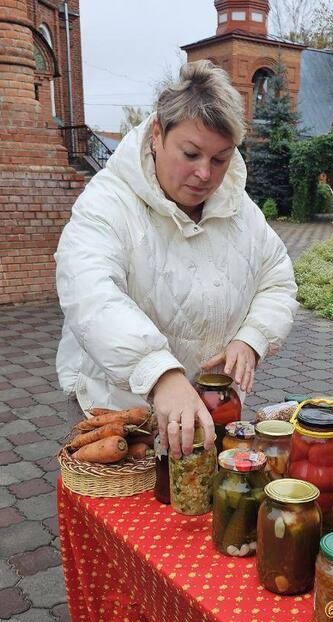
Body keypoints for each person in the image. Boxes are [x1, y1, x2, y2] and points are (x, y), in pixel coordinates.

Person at [55, 60, 297, 457]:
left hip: (211, 406)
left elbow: (277, 279)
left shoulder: (239, 207)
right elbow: (91, 294)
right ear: (156, 135)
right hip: (121, 413)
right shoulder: (107, 203)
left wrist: (251, 339)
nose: (205, 174)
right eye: (191, 153)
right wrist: (160, 374)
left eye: (220, 159)